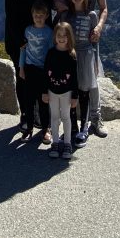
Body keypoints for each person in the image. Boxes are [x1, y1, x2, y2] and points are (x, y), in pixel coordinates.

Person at [66, 0, 109, 138]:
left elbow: (104, 8)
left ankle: (96, 118)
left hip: (90, 38)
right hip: (69, 38)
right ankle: (73, 120)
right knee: (71, 79)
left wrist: (99, 26)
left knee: (92, 80)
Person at [4, 0, 50, 127]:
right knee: (23, 77)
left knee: (40, 78)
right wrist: (21, 41)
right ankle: (25, 114)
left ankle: (39, 115)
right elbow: (10, 16)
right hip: (20, 42)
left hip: (40, 42)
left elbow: (48, 13)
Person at [67, 0, 102, 147]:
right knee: (71, 92)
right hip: (71, 56)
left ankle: (84, 127)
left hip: (87, 55)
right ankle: (73, 126)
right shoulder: (66, 15)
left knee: (85, 92)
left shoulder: (92, 15)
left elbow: (95, 41)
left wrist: (96, 61)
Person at [17, 0, 54, 142]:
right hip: (29, 69)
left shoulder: (49, 32)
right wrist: (21, 68)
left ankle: (46, 129)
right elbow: (23, 50)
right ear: (32, 15)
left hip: (43, 71)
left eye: (41, 15)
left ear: (46, 16)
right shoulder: (27, 30)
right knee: (29, 102)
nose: (38, 18)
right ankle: (29, 128)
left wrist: (50, 71)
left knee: (44, 101)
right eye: (36, 15)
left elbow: (51, 52)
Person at [43, 21, 78, 159]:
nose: (62, 38)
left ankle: (67, 143)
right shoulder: (51, 53)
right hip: (52, 91)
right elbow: (45, 73)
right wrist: (44, 91)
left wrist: (75, 96)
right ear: (55, 36)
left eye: (65, 35)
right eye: (59, 35)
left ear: (69, 37)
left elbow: (75, 78)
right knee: (55, 117)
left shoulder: (71, 55)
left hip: (66, 93)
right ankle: (56, 143)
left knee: (66, 117)